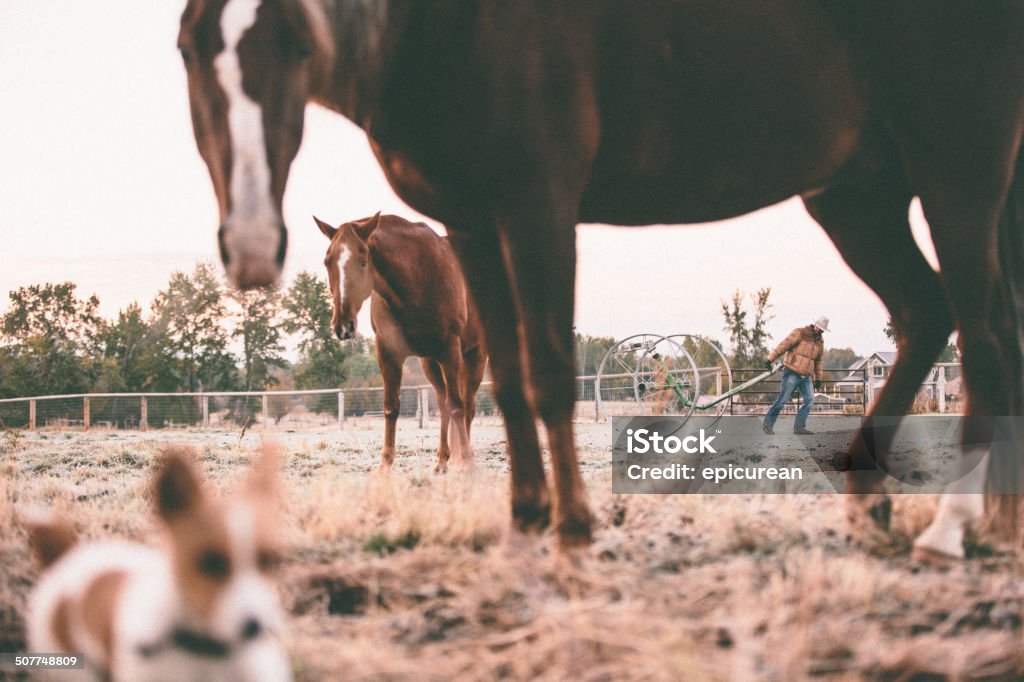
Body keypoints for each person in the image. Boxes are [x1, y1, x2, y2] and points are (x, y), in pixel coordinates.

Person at [762, 316, 828, 435]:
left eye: (822, 329)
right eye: (819, 327)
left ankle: (799, 427)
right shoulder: (800, 333)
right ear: (815, 325)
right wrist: (770, 359)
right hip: (792, 372)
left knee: (809, 399)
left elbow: (818, 361)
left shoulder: (820, 342)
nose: (820, 330)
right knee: (782, 400)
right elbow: (783, 345)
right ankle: (767, 425)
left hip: (806, 376)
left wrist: (818, 378)